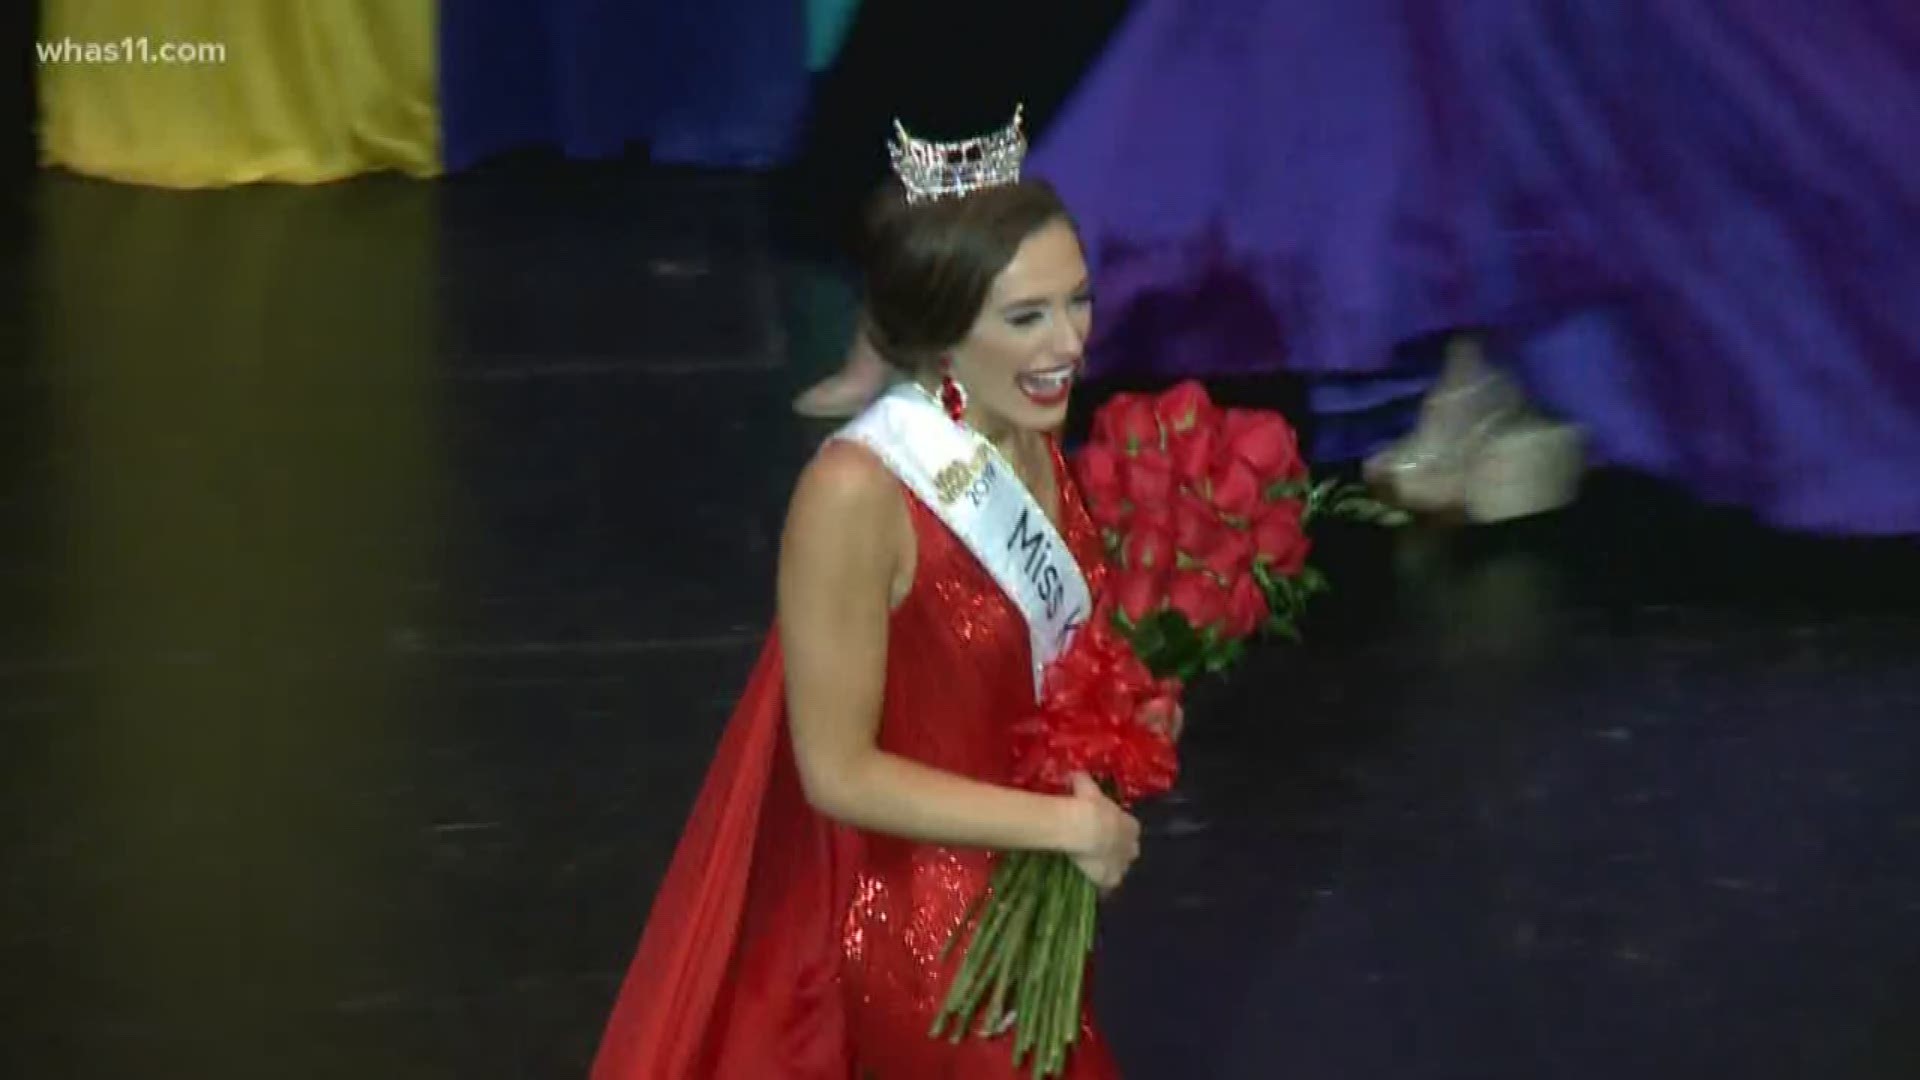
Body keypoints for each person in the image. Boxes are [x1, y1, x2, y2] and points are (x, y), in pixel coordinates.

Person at [592, 112, 1144, 1079]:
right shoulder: (859, 492)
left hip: (1036, 901)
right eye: (1028, 318)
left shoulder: (1024, 432)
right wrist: (1063, 825)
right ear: (940, 336)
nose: (1071, 343)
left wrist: (1131, 723)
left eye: (1079, 303)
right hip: (930, 943)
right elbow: (836, 771)